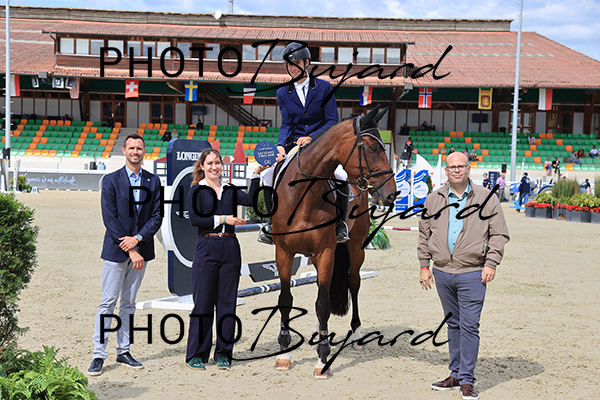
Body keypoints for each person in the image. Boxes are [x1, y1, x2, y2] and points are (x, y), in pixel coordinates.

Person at [418, 152, 509, 400]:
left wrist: (491, 263)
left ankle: (467, 380)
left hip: (472, 272)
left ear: (469, 169)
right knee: (453, 325)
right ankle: (455, 374)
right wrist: (424, 266)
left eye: (461, 166)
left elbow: (499, 234)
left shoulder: (487, 198)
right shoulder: (433, 200)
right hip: (442, 272)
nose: (456, 170)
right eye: (452, 167)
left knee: (469, 326)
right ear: (446, 171)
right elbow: (424, 235)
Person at [88, 134, 163, 376]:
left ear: (144, 151)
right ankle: (98, 354)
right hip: (116, 251)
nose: (135, 151)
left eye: (139, 148)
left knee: (129, 303)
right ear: (124, 150)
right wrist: (130, 248)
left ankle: (124, 350)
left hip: (141, 250)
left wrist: (138, 239)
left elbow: (157, 216)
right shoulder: (110, 180)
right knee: (108, 302)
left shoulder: (153, 181)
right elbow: (109, 219)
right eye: (131, 148)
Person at [258, 42, 346, 245]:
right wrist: (281, 145)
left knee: (342, 175)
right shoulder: (282, 92)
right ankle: (271, 224)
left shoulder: (324, 87)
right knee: (268, 175)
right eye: (289, 64)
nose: (293, 67)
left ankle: (340, 224)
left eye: (296, 63)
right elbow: (286, 124)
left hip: (322, 145)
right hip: (295, 145)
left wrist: (312, 137)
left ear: (306, 63)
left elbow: (332, 120)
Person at [186, 149, 267, 370]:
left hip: (230, 247)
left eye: (217, 163)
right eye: (210, 163)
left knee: (227, 304)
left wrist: (256, 175)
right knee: (203, 303)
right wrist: (224, 218)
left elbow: (250, 200)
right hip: (206, 247)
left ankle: (223, 353)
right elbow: (195, 219)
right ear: (202, 166)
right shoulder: (196, 190)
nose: (214, 167)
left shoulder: (230, 189)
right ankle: (196, 355)